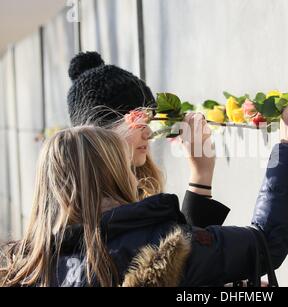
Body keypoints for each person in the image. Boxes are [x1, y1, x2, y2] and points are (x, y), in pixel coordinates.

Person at [0, 98, 288, 287]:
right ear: (112, 171)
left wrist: (201, 177)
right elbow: (264, 244)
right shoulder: (152, 250)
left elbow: (189, 270)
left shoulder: (28, 269)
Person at [67, 51, 228, 227]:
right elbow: (189, 252)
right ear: (101, 132)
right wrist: (201, 175)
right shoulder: (104, 217)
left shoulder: (104, 202)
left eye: (149, 120)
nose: (149, 134)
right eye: (138, 121)